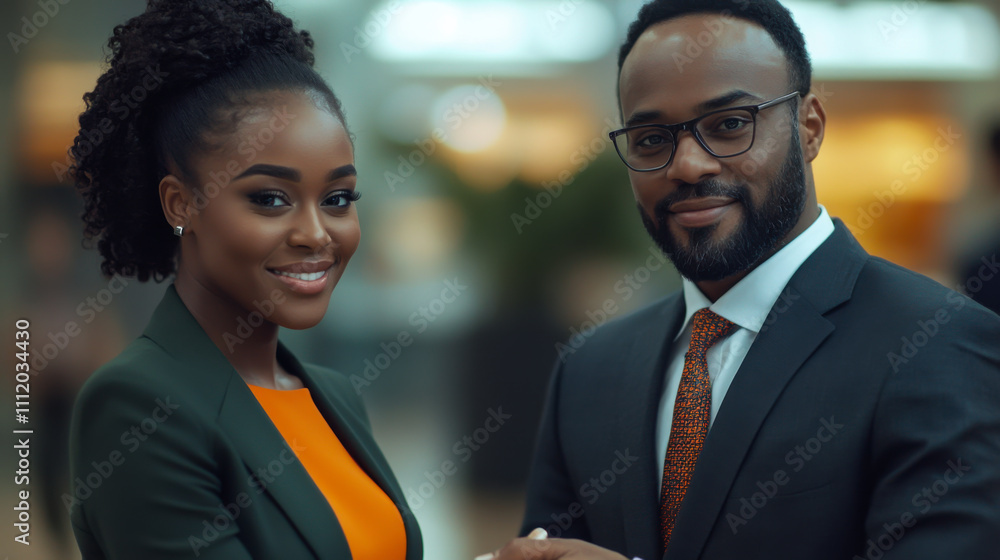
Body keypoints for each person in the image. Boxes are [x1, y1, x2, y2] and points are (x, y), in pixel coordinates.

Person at [490, 1, 1000, 559]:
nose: (687, 165)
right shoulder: (590, 369)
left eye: (730, 124)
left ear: (809, 128)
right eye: (652, 139)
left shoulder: (937, 345)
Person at [66, 1, 422, 558]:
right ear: (180, 203)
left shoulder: (335, 395)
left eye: (337, 199)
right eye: (269, 199)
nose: (315, 234)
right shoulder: (139, 404)